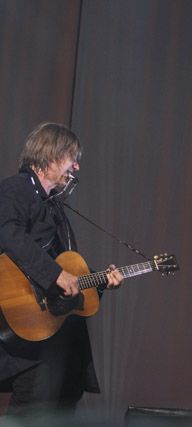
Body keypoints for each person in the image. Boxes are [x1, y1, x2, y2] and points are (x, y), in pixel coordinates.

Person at [0, 122, 124, 415]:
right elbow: (7, 233)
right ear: (51, 155)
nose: (76, 167)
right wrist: (55, 275)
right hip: (29, 331)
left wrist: (100, 281)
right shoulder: (16, 188)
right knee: (34, 405)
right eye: (72, 158)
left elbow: (65, 266)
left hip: (57, 334)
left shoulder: (54, 207)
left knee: (65, 400)